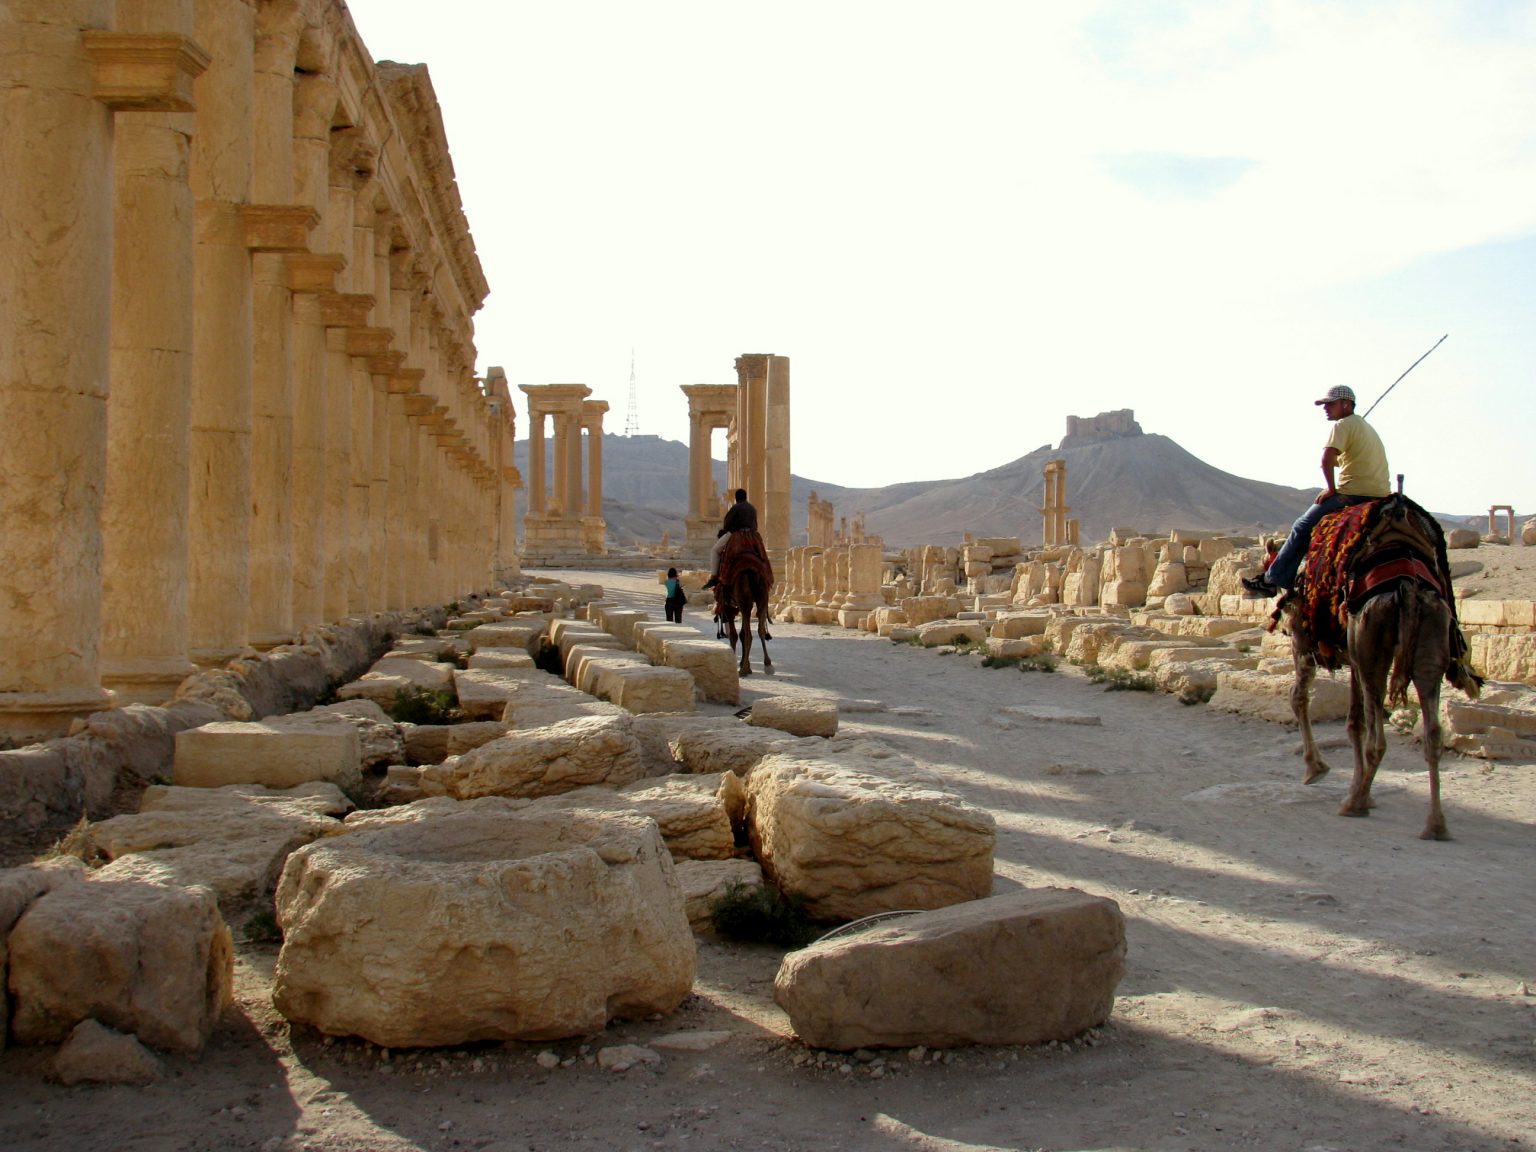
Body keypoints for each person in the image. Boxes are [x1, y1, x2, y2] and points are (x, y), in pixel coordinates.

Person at [1242, 385, 1391, 596]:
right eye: (1325, 404)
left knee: (1302, 526)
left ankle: (1273, 579)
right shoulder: (1365, 428)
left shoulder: (1342, 425)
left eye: (1331, 404)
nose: (1326, 408)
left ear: (1346, 404)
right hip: (1381, 492)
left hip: (1354, 492)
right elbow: (1351, 460)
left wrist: (1331, 489)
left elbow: (1326, 459)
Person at [701, 489, 758, 590]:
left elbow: (727, 523)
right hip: (752, 535)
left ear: (736, 498)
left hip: (736, 534)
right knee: (761, 555)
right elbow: (755, 524)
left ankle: (714, 577)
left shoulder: (735, 508)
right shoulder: (752, 508)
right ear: (746, 497)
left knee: (715, 550)